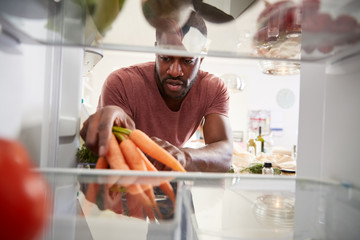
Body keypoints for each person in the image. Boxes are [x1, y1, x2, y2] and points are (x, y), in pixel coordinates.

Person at [80, 11, 233, 172]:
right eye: (166, 58)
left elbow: (225, 154)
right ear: (156, 50)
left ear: (201, 57)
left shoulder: (213, 88)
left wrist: (184, 157)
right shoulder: (122, 82)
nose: (175, 71)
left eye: (187, 60)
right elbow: (114, 155)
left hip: (172, 179)